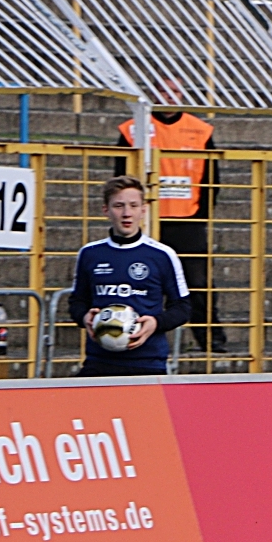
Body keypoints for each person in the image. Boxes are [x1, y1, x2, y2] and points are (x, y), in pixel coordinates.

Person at [116, 107, 225, 352]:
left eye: (174, 90)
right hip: (146, 220)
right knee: (140, 279)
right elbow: (119, 175)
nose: (169, 97)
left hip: (188, 220)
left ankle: (211, 340)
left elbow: (212, 178)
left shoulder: (200, 130)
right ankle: (134, 334)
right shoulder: (133, 128)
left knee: (199, 283)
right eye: (164, 90)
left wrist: (201, 216)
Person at [69, 177, 191, 377]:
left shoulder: (162, 255)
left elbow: (182, 308)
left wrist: (155, 323)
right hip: (99, 361)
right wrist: (84, 317)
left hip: (148, 363)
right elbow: (77, 302)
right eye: (119, 206)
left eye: (133, 206)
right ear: (106, 210)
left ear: (143, 210)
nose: (126, 213)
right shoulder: (90, 254)